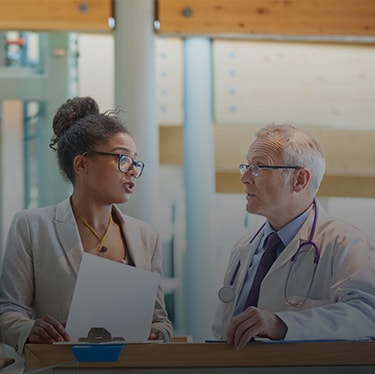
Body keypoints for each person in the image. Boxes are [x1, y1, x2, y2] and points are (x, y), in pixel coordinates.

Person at [0, 96, 173, 355]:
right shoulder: (32, 226)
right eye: (122, 159)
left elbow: (161, 320)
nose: (133, 170)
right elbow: (8, 311)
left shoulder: (145, 236)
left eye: (135, 161)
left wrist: (157, 333)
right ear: (82, 164)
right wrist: (30, 328)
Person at [212, 123, 375, 349]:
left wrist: (281, 324)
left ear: (299, 180)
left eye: (259, 167)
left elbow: (367, 316)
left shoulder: (345, 243)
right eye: (246, 166)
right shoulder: (245, 247)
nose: (245, 178)